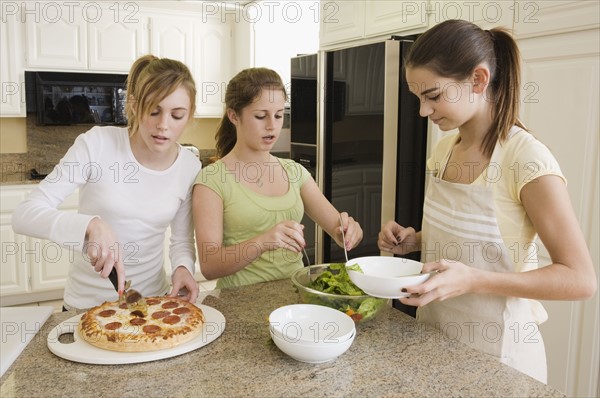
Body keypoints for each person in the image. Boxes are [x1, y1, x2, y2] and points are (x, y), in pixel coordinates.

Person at [377, 19, 596, 383]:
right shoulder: (444, 150)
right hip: (436, 347)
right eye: (418, 97)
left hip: (501, 360)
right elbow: (466, 246)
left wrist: (474, 280)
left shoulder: (526, 159)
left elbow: (580, 279)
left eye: (433, 95)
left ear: (478, 80)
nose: (423, 111)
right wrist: (416, 240)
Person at [12, 55, 201, 310]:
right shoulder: (97, 144)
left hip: (150, 305)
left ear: (188, 115)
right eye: (154, 111)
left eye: (177, 115)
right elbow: (24, 215)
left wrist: (183, 268)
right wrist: (90, 225)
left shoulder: (189, 165)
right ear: (134, 105)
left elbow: (181, 240)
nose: (163, 125)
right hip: (85, 307)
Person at [193, 67, 363, 289]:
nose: (272, 125)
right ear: (234, 115)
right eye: (261, 116)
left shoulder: (294, 172)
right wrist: (263, 242)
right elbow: (210, 264)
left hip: (295, 298)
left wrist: (349, 232)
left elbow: (337, 228)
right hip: (239, 303)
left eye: (279, 115)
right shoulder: (212, 180)